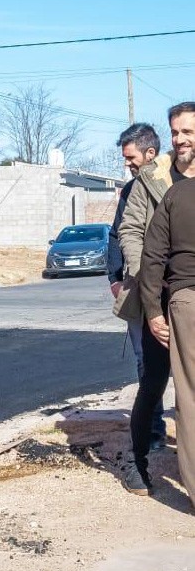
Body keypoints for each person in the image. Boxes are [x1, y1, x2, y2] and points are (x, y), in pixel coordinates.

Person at [121, 102, 195, 495]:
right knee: (153, 379)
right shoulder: (150, 179)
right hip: (159, 293)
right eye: (176, 132)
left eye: (188, 132)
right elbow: (129, 230)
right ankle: (134, 459)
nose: (181, 140)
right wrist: (145, 273)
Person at [107, 123, 167, 449]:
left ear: (150, 153)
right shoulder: (131, 191)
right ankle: (153, 431)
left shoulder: (176, 184)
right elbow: (119, 234)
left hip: (178, 289)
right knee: (147, 363)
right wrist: (115, 278)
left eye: (131, 157)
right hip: (140, 290)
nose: (128, 164)